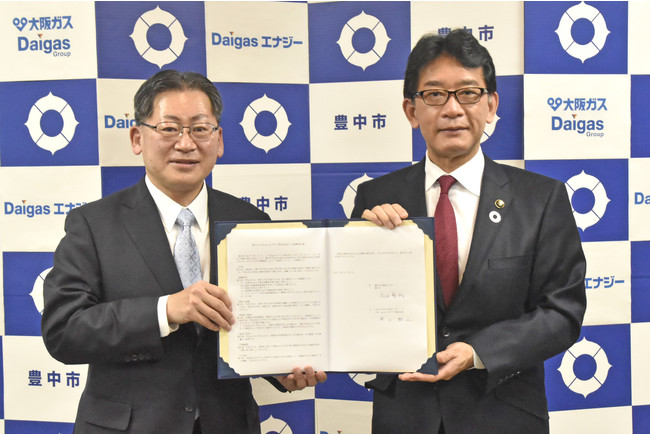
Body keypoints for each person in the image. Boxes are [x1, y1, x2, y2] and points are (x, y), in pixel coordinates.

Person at [41, 70, 326, 434]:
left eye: (200, 128)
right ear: (137, 138)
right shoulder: (94, 224)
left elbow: (265, 324)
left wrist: (281, 369)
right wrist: (165, 310)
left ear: (219, 140)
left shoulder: (251, 222)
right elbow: (64, 331)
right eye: (170, 128)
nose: (186, 143)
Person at [352, 30, 586, 433]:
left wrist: (479, 351)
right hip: (406, 416)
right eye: (434, 95)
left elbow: (562, 312)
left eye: (468, 93)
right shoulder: (376, 199)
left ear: (491, 105)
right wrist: (364, 248)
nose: (452, 109)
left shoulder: (541, 199)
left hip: (503, 414)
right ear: (411, 110)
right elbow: (354, 307)